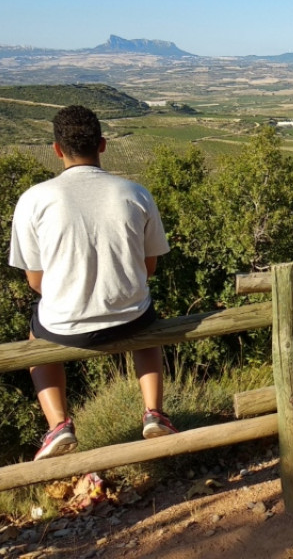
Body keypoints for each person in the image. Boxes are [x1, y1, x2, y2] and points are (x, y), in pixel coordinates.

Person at [9, 105, 178, 461]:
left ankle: (58, 424)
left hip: (62, 326)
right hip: (131, 317)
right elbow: (149, 268)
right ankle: (153, 412)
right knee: (149, 325)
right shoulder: (135, 193)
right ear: (102, 145)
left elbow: (34, 280)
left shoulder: (34, 200)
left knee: (34, 339)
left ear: (57, 149)